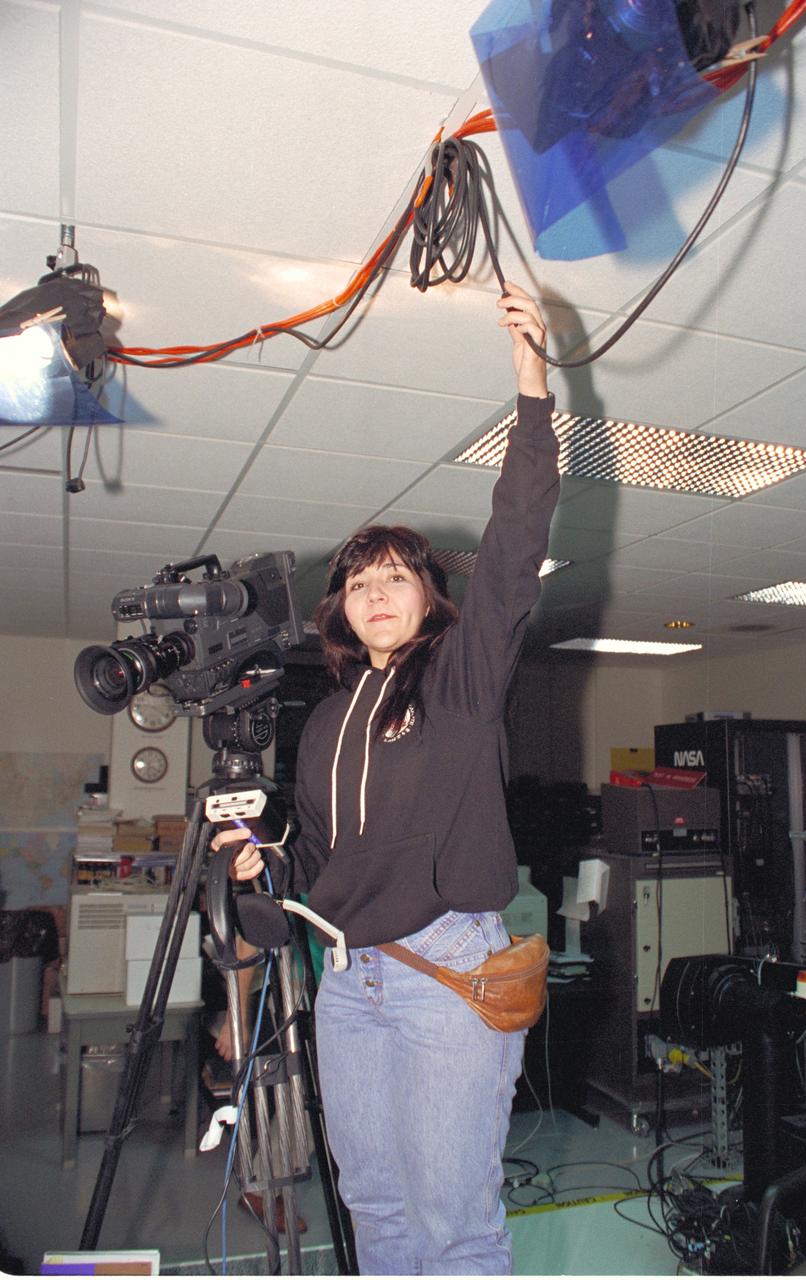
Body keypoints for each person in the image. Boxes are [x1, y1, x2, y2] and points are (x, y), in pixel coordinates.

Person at [211, 282, 559, 1275]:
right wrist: (256, 885)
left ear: (431, 602)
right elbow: (315, 872)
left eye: (394, 575)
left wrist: (531, 382)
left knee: (451, 1216)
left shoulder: (458, 679)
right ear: (341, 610)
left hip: (447, 970)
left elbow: (515, 543)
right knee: (370, 1200)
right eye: (357, 579)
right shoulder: (320, 721)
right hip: (348, 979)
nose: (371, 589)